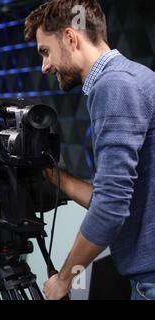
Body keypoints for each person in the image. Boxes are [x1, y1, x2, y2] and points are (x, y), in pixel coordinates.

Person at [24, 0, 155, 300]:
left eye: (45, 52)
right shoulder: (130, 77)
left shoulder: (115, 86)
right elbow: (124, 199)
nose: (44, 66)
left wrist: (63, 280)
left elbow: (111, 207)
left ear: (71, 38)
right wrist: (60, 180)